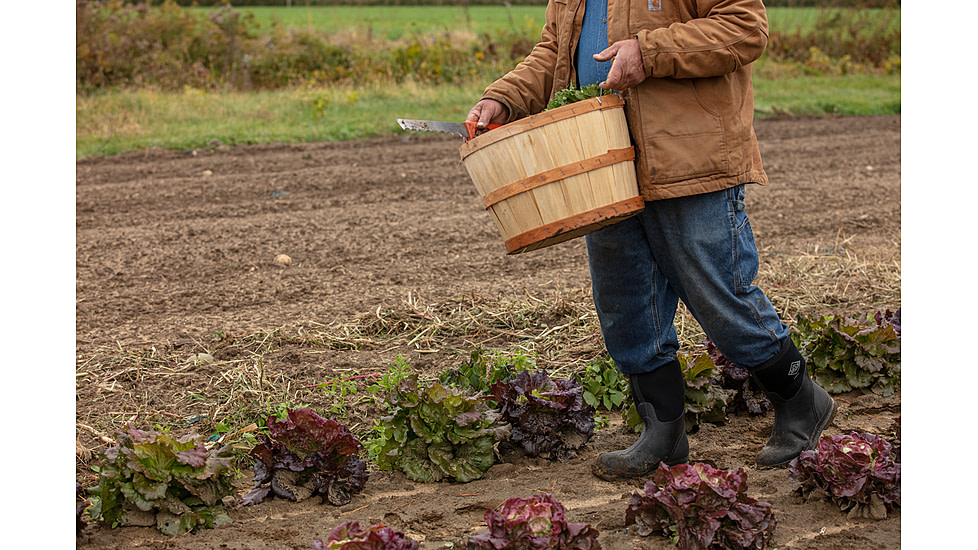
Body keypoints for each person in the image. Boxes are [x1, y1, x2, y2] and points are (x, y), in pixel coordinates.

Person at [465, 0, 835, 480]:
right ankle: (662, 432)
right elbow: (555, 52)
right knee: (627, 301)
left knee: (718, 292)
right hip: (602, 161)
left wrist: (649, 52)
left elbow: (745, 29)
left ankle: (801, 401)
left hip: (690, 157)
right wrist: (505, 98)